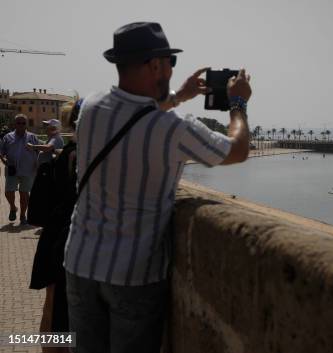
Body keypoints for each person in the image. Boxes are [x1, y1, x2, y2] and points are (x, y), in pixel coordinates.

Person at [63, 22, 251, 353]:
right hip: (133, 276)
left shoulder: (90, 107)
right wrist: (237, 104)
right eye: (169, 62)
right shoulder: (174, 129)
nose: (169, 69)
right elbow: (237, 151)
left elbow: (134, 117)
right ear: (154, 65)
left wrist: (179, 95)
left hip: (80, 262)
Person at [30, 100, 81, 353]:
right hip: (69, 236)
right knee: (64, 311)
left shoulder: (66, 153)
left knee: (51, 305)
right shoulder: (79, 155)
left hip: (53, 234)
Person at [0, 114, 40, 224]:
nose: (21, 125)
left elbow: (39, 152)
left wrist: (37, 165)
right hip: (11, 170)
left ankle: (23, 215)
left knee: (24, 194)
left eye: (23, 123)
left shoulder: (33, 137)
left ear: (26, 124)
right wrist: (4, 161)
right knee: (8, 192)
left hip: (28, 170)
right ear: (14, 124)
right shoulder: (7, 137)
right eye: (19, 123)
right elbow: (1, 152)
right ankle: (13, 208)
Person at [26, 118, 65, 227]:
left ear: (53, 128)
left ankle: (46, 220)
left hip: (48, 172)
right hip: (46, 172)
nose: (45, 128)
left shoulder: (55, 138)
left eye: (48, 126)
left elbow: (48, 148)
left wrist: (33, 147)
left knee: (45, 196)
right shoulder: (53, 138)